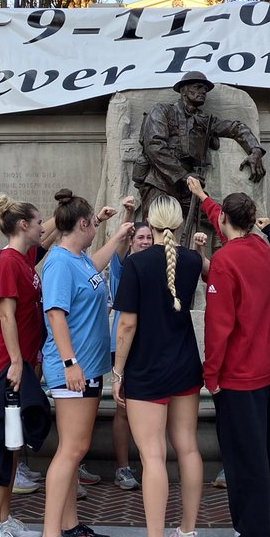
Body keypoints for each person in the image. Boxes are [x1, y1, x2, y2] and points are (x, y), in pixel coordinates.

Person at [29, 190, 133, 537]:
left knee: (76, 449)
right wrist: (71, 363)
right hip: (72, 370)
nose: (95, 229)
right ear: (83, 225)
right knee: (71, 450)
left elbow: (94, 268)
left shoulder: (77, 259)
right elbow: (55, 315)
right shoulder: (58, 263)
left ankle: (69, 526)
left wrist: (118, 236)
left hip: (88, 368)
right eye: (93, 224)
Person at [186, 175, 270, 537]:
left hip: (239, 375)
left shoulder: (225, 260)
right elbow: (229, 228)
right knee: (267, 453)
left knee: (245, 459)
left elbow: (218, 326)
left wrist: (211, 376)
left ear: (226, 220)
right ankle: (268, 533)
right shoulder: (259, 249)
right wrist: (204, 199)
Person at [112, 195, 204, 537]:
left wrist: (118, 371)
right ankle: (187, 535)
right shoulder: (194, 261)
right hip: (185, 363)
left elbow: (127, 324)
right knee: (187, 447)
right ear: (180, 223)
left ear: (150, 221)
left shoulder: (136, 264)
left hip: (147, 369)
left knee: (152, 456)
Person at [0, 197, 46, 537]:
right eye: (36, 222)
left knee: (13, 446)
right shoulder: (5, 263)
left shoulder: (24, 260)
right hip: (8, 368)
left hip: (22, 365)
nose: (41, 227)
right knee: (2, 450)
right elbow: (5, 315)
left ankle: (2, 518)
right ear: (22, 226)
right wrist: (17, 361)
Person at [133, 73, 265, 219]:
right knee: (156, 225)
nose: (203, 91)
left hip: (190, 185)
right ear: (183, 90)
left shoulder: (206, 121)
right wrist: (183, 175)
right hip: (160, 180)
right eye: (198, 87)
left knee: (221, 218)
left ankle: (217, 242)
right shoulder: (162, 111)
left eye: (205, 89)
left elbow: (236, 128)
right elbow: (154, 146)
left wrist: (255, 150)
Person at [108, 197, 149, 490]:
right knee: (122, 408)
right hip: (123, 343)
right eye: (140, 237)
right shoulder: (124, 265)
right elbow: (120, 248)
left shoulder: (159, 263)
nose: (145, 242)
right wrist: (128, 213)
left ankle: (150, 462)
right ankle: (122, 467)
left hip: (150, 344)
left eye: (149, 237)